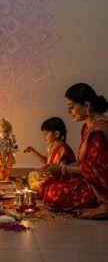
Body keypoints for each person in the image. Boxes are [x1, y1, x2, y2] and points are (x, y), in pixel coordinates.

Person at [39, 83, 108, 218]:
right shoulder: (87, 127)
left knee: (54, 192)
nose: (69, 112)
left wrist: (61, 169)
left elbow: (95, 169)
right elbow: (84, 162)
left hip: (101, 188)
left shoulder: (98, 131)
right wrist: (59, 169)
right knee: (48, 182)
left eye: (71, 107)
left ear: (86, 106)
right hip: (89, 179)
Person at [24, 117, 76, 191]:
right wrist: (33, 152)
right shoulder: (51, 146)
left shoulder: (63, 149)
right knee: (32, 174)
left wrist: (48, 173)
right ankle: (42, 187)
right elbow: (47, 162)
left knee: (48, 183)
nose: (44, 137)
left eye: (46, 134)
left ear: (56, 134)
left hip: (60, 178)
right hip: (50, 176)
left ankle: (43, 187)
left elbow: (62, 170)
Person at [0, 117, 18, 182]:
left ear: (8, 133)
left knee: (8, 166)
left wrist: (14, 148)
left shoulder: (9, 140)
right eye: (1, 132)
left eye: (5, 132)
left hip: (7, 155)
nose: (3, 133)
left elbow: (13, 146)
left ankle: (6, 176)